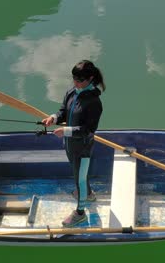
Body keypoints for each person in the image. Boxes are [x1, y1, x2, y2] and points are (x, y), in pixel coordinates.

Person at [42, 60, 105, 227]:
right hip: (70, 144)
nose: (75, 83)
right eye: (74, 79)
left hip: (82, 146)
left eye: (79, 80)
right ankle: (89, 195)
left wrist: (66, 131)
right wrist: (53, 118)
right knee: (78, 175)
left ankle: (80, 214)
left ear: (90, 79)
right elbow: (63, 111)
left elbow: (88, 130)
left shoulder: (94, 103)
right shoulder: (72, 92)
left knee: (80, 180)